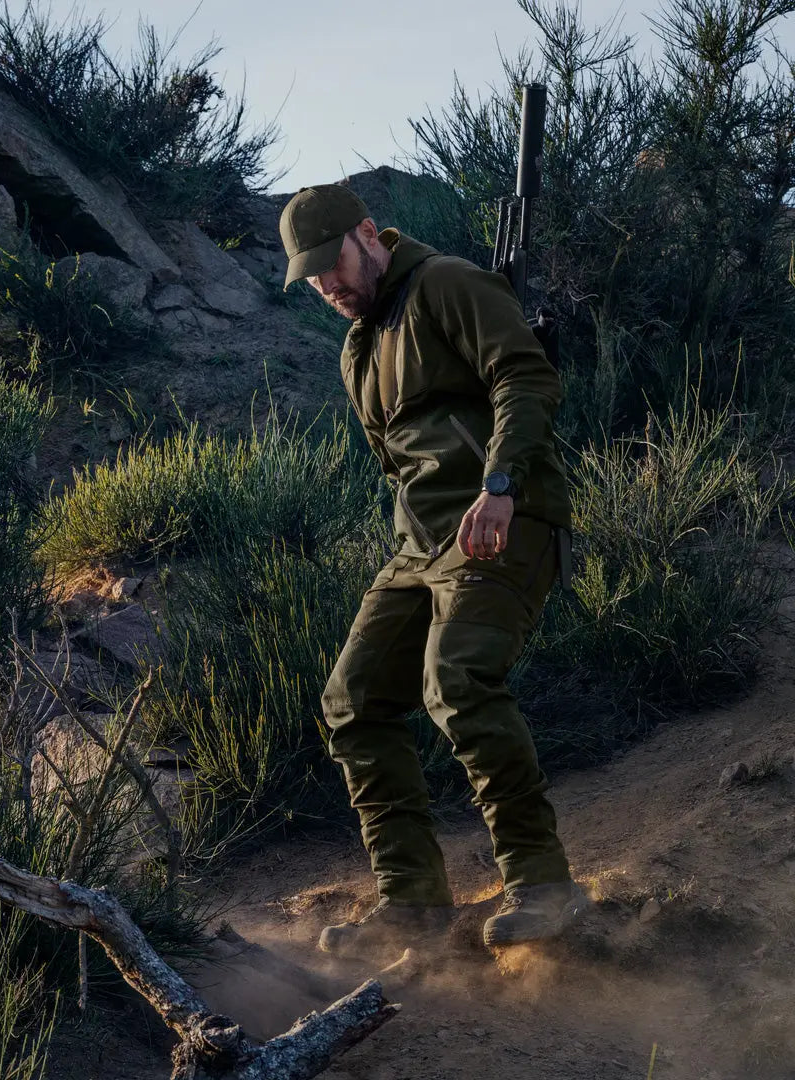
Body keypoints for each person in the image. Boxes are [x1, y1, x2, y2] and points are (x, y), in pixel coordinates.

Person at [278, 183, 586, 956]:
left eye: (334, 265)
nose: (328, 286)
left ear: (368, 234)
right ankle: (411, 900)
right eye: (313, 278)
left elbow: (525, 377)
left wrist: (501, 485)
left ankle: (543, 885)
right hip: (423, 544)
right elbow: (401, 465)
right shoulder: (358, 346)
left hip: (502, 518)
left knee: (456, 680)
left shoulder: (447, 282)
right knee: (352, 701)